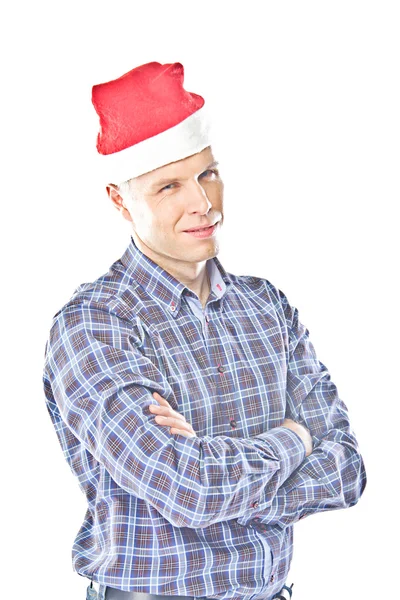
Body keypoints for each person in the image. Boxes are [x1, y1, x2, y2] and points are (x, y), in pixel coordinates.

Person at [43, 61, 367, 600]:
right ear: (121, 200)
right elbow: (189, 489)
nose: (203, 203)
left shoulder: (267, 307)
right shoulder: (95, 327)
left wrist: (222, 476)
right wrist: (295, 438)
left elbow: (348, 470)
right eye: (169, 186)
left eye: (208, 174)